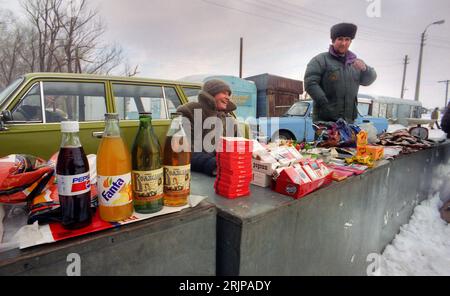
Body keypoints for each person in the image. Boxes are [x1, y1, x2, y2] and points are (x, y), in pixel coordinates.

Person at [304, 23, 377, 124]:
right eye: (340, 39)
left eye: (347, 39)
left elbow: (369, 80)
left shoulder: (355, 63)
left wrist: (365, 69)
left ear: (351, 41)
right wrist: (325, 104)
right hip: (326, 122)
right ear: (333, 41)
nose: (343, 43)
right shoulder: (320, 60)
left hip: (349, 122)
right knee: (328, 140)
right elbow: (310, 83)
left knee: (350, 140)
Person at [177, 79, 238, 176]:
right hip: (197, 176)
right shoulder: (190, 113)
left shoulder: (229, 120)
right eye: (224, 93)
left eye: (228, 95)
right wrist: (214, 163)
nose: (227, 98)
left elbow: (239, 147)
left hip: (227, 174)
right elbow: (184, 151)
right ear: (210, 94)